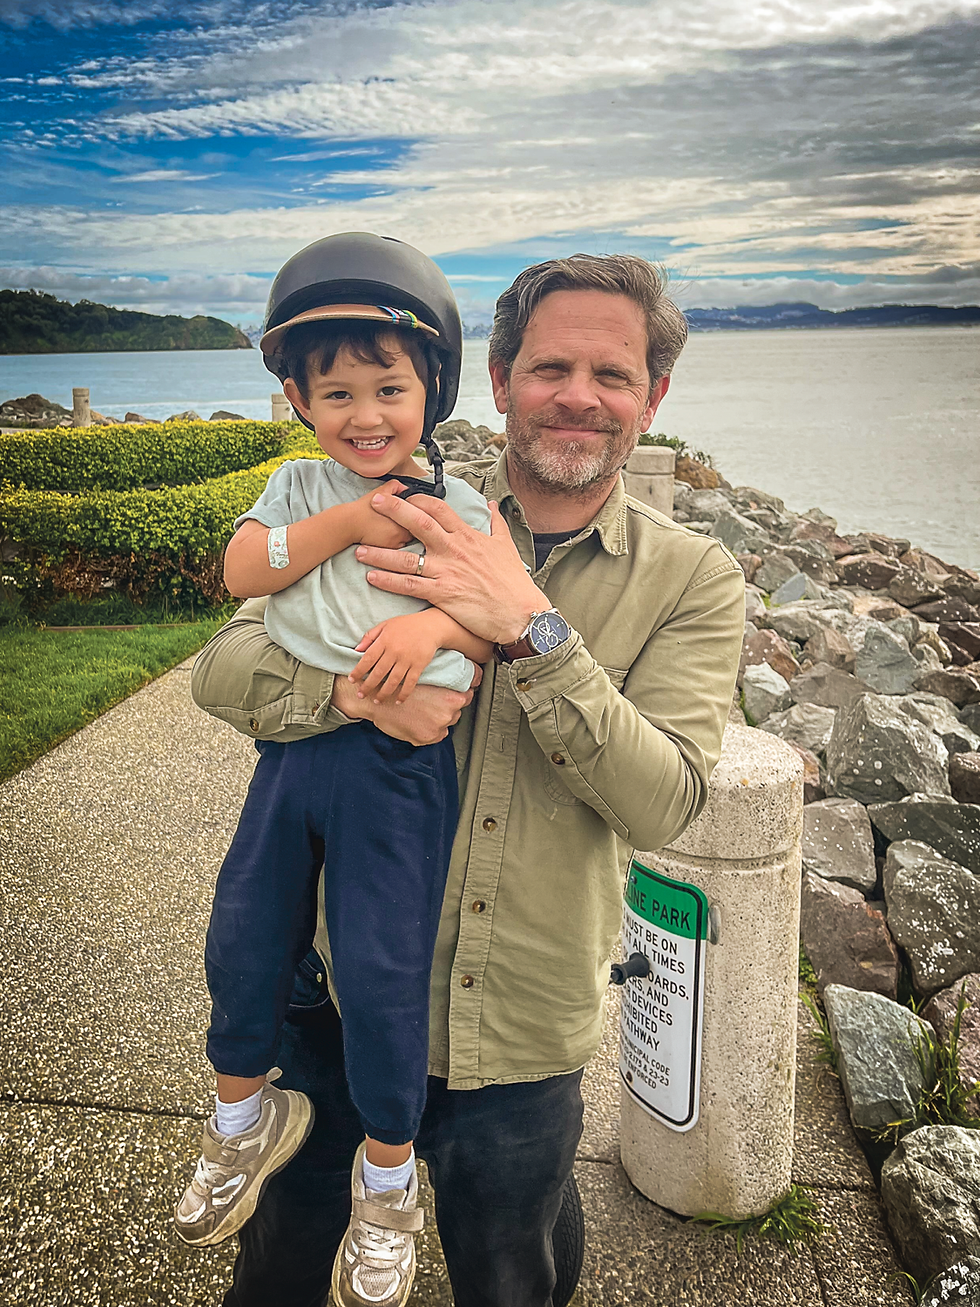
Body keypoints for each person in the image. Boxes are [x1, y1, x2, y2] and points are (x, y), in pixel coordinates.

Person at [191, 247, 746, 1307]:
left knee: (512, 1276)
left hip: (521, 1029)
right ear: (495, 381)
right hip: (335, 997)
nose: (577, 396)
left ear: (652, 396)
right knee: (280, 1266)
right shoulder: (391, 495)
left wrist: (528, 628)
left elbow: (664, 797)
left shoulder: (691, 578)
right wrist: (347, 693)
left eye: (612, 375)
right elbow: (222, 662)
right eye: (547, 369)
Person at [176, 233, 492, 1307]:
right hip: (295, 751)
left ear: (429, 389)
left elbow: (499, 619)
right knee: (242, 932)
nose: (366, 413)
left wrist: (437, 622)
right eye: (338, 392)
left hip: (395, 774)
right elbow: (237, 570)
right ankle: (237, 1119)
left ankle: (388, 1180)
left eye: (388, 388)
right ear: (300, 404)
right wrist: (348, 519)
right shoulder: (299, 485)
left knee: (380, 975)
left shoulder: (461, 507)